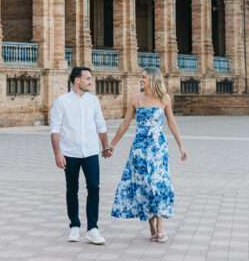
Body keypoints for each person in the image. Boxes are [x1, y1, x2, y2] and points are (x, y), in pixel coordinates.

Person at [108, 68, 188, 243]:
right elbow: (125, 124)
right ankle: (151, 226)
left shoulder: (164, 99)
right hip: (140, 149)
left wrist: (181, 146)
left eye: (144, 77)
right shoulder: (136, 99)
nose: (141, 80)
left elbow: (172, 123)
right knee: (144, 186)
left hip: (158, 148)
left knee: (157, 184)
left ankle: (160, 227)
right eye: (141, 77)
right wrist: (112, 144)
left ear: (153, 79)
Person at [50, 66, 111, 245]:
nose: (90, 82)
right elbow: (55, 129)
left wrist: (105, 146)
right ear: (77, 80)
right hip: (69, 152)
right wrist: (57, 153)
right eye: (87, 78)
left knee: (94, 187)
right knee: (72, 189)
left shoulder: (93, 100)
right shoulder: (61, 102)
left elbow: (101, 125)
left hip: (91, 151)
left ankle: (93, 228)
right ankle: (74, 226)